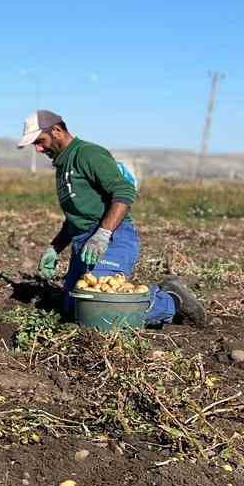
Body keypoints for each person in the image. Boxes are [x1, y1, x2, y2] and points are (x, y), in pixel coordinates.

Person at [19, 109, 207, 326]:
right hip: (83, 244)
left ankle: (172, 301)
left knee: (101, 311)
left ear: (57, 130)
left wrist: (103, 233)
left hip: (113, 238)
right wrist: (55, 247)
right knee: (74, 309)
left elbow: (124, 193)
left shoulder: (88, 154)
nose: (38, 148)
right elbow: (77, 218)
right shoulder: (63, 167)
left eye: (40, 141)